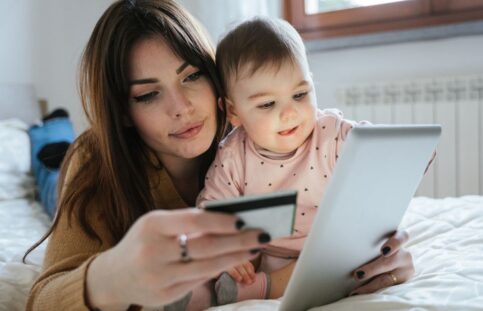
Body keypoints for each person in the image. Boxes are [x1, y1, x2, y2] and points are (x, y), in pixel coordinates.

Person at [25, 1, 413, 310]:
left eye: (191, 76)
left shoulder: (249, 131)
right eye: (148, 94)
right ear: (123, 112)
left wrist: (371, 258)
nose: (182, 108)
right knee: (50, 174)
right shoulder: (96, 162)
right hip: (86, 173)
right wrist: (114, 274)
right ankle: (48, 135)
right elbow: (42, 299)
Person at [196, 17, 418, 305]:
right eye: (267, 104)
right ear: (233, 111)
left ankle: (267, 288)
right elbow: (211, 211)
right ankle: (260, 285)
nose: (289, 113)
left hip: (331, 250)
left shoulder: (332, 132)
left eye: (300, 94)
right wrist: (225, 251)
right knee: (233, 269)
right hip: (269, 255)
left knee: (349, 260)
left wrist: (398, 156)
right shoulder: (232, 153)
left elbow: (371, 151)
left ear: (312, 83)